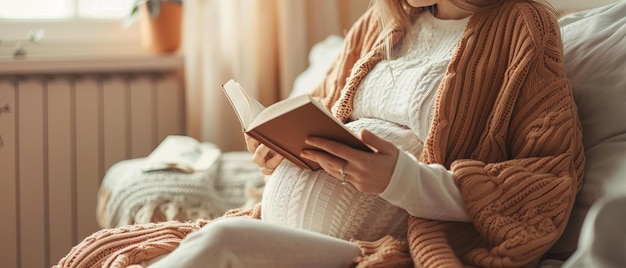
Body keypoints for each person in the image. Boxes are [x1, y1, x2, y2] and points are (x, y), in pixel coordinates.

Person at [55, 0, 585, 267]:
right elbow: (322, 116)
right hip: (286, 223)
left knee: (221, 241)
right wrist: (280, 143)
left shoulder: (523, 26)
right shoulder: (382, 21)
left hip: (376, 245)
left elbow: (544, 178)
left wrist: (402, 179)